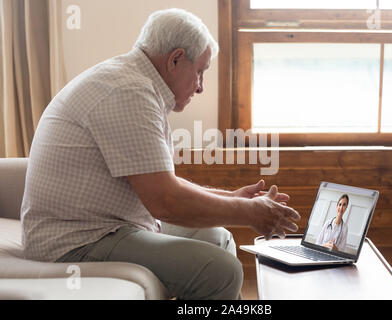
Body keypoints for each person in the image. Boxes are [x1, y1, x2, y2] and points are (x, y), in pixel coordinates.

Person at [20, 8, 300, 300]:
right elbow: (165, 201)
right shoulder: (128, 92)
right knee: (220, 270)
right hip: (76, 242)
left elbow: (164, 185)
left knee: (217, 238)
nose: (201, 86)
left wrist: (232, 199)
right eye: (200, 71)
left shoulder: (134, 83)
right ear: (175, 59)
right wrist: (250, 213)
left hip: (108, 225)